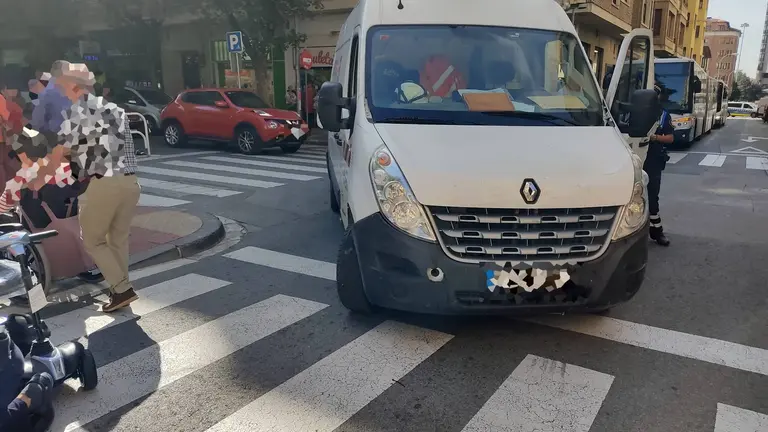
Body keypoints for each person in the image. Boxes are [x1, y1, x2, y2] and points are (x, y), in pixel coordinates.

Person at [54, 61, 141, 313]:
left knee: (92, 240)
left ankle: (122, 289)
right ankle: (119, 290)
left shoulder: (78, 112)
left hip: (103, 183)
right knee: (118, 239)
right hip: (130, 181)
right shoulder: (116, 110)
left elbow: (65, 150)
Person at [644, 86, 673, 247]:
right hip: (634, 156)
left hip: (653, 160)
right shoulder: (633, 112)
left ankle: (657, 232)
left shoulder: (663, 116)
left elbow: (670, 138)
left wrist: (656, 137)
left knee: (652, 198)